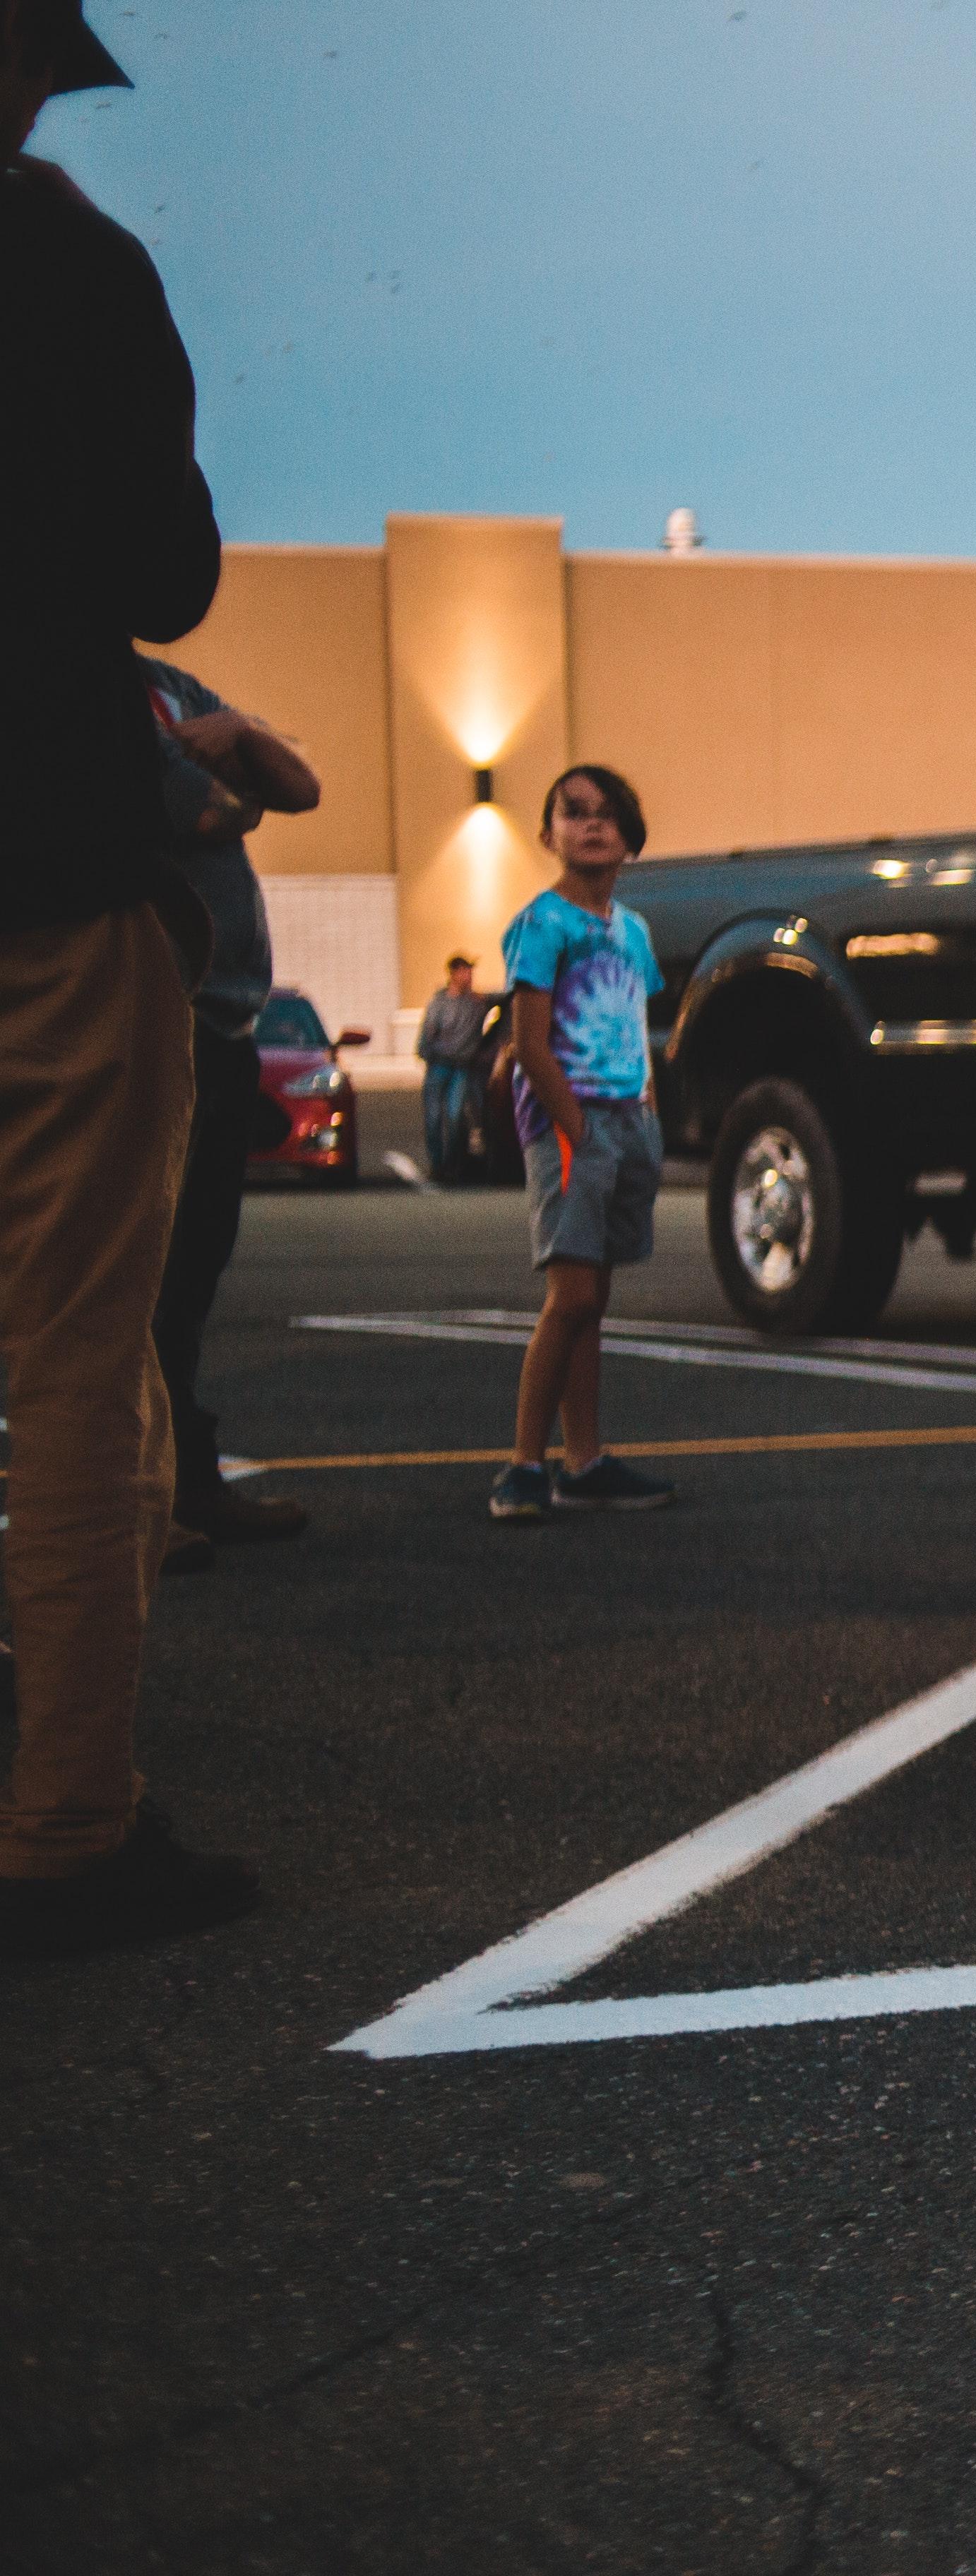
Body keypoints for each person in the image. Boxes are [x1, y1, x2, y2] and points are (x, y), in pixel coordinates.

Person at [0, 0, 258, 1955]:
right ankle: (71, 1811)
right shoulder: (75, 266)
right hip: (51, 876)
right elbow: (166, 573)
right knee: (77, 1361)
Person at [144, 653, 319, 1563]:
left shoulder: (174, 686)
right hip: (151, 1021)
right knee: (147, 1270)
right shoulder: (81, 671)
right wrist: (233, 785)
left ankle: (188, 1484)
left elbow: (304, 786)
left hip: (222, 1024)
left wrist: (242, 731)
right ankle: (145, 1501)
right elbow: (206, 810)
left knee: (196, 1263)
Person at [494, 763, 676, 1521]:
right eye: (573, 812)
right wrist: (575, 1130)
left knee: (594, 1299)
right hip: (570, 1124)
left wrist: (646, 1119)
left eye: (607, 815)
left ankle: (585, 1461)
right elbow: (529, 1045)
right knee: (567, 1297)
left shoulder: (632, 930)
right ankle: (524, 1468)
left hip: (627, 1121)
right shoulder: (543, 924)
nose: (591, 825)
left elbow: (637, 1026)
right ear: (548, 834)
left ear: (629, 838)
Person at [416, 952, 491, 1179]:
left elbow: (506, 997)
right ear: (453, 974)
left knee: (455, 1116)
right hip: (439, 1066)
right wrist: (429, 1053)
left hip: (461, 1068)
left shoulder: (477, 1003)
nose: (469, 976)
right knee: (433, 1118)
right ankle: (437, 1165)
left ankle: (452, 1166)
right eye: (465, 971)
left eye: (470, 971)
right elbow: (427, 1036)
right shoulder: (439, 1003)